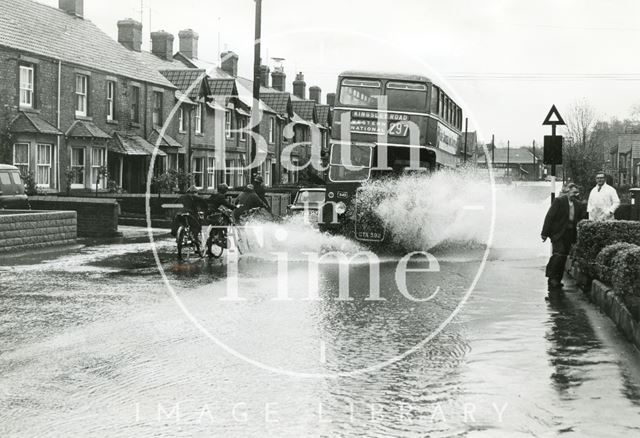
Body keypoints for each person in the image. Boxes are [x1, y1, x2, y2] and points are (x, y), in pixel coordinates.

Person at [541, 183, 586, 291]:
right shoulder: (559, 201)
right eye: (573, 192)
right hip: (558, 233)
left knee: (563, 257)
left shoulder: (578, 204)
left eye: (577, 193)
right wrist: (544, 233)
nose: (575, 194)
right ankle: (551, 277)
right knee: (558, 254)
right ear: (568, 191)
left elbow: (581, 217)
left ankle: (558, 278)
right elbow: (550, 217)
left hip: (569, 234)